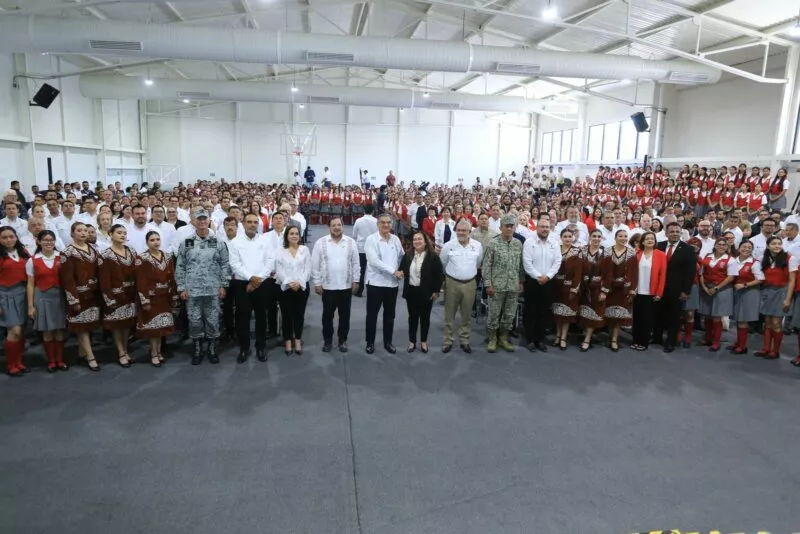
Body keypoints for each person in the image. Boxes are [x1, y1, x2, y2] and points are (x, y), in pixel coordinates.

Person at [175, 209, 231, 365]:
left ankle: (212, 348)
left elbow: (225, 264)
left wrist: (224, 285)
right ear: (193, 221)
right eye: (198, 219)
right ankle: (198, 348)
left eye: (204, 219)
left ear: (208, 221)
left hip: (213, 289)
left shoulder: (218, 242)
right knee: (194, 320)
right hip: (192, 290)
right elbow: (180, 266)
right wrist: (181, 287)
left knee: (213, 319)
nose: (201, 222)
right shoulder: (186, 242)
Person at [312, 216, 360, 353]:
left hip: (345, 286)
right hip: (328, 287)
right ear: (329, 227)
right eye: (334, 225)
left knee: (345, 316)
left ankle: (342, 340)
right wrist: (317, 282)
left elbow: (356, 263)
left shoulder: (351, 242)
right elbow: (315, 265)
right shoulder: (320, 243)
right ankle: (327, 341)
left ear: (343, 226)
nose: (337, 227)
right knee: (327, 316)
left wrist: (356, 280)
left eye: (339, 225)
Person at [228, 213, 271, 363]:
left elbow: (270, 261)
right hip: (242, 284)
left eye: (255, 222)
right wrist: (251, 278)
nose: (252, 224)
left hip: (262, 282)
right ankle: (244, 348)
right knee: (242, 318)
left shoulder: (265, 241)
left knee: (261, 317)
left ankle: (261, 347)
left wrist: (257, 280)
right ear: (243, 224)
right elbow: (234, 264)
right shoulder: (235, 242)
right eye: (249, 222)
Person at [60, 222, 102, 371]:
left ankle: (81, 353)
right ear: (72, 233)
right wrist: (73, 299)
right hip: (79, 295)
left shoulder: (93, 249)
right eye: (79, 230)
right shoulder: (68, 252)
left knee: (88, 326)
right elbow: (67, 279)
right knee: (81, 327)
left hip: (93, 294)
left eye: (85, 230)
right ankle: (91, 356)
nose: (83, 233)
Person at [26, 229, 68, 372]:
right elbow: (31, 284)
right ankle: (51, 361)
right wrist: (30, 306)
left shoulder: (61, 257)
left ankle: (60, 360)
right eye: (45, 240)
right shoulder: (32, 260)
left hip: (59, 297)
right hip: (42, 297)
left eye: (51, 240)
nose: (49, 242)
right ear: (39, 242)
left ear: (55, 242)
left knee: (59, 330)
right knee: (48, 331)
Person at [135, 230, 177, 367]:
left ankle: (159, 352)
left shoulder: (167, 256)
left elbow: (172, 277)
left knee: (161, 327)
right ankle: (153, 353)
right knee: (153, 329)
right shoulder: (142, 259)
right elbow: (141, 281)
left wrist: (174, 295)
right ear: (147, 242)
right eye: (152, 240)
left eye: (157, 239)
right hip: (151, 299)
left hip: (164, 297)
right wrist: (144, 300)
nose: (156, 242)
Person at [364, 213, 405, 354]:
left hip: (392, 285)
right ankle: (370, 342)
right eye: (383, 222)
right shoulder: (371, 239)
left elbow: (401, 255)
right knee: (372, 315)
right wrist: (394, 271)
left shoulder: (395, 239)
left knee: (389, 315)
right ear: (378, 224)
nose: (386, 225)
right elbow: (374, 261)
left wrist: (401, 270)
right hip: (375, 283)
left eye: (388, 222)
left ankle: (388, 342)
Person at [440, 219, 483, 353]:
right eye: (458, 230)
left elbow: (478, 262)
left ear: (470, 232)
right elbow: (443, 262)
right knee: (449, 315)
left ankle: (464, 341)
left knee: (466, 314)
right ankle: (448, 341)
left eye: (464, 230)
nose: (461, 232)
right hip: (452, 282)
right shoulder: (448, 245)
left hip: (470, 283)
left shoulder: (477, 246)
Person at [653, 222, 697, 352]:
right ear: (666, 233)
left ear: (681, 233)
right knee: (658, 313)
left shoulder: (688, 249)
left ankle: (671, 341)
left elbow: (690, 272)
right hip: (659, 287)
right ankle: (657, 337)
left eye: (677, 232)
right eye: (671, 232)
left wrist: (686, 291)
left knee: (674, 316)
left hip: (677, 289)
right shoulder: (659, 246)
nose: (674, 234)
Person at [99, 224, 138, 367]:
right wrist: (108, 298)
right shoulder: (105, 255)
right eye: (119, 232)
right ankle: (121, 352)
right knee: (117, 325)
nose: (122, 235)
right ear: (110, 234)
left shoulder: (132, 252)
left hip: (130, 294)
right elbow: (104, 279)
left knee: (127, 324)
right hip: (115, 295)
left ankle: (125, 349)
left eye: (124, 233)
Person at [485, 213, 524, 353]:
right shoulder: (493, 243)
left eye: (512, 226)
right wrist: (488, 284)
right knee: (494, 314)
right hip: (496, 285)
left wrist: (521, 281)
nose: (509, 228)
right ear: (501, 228)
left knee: (509, 315)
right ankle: (492, 338)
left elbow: (520, 265)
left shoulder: (518, 244)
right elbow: (486, 265)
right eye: (506, 226)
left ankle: (503, 337)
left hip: (513, 285)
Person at [522, 214, 561, 352]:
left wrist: (548, 276)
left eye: (547, 227)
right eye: (542, 227)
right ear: (536, 228)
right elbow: (527, 263)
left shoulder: (554, 243)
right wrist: (538, 277)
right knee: (531, 311)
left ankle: (540, 339)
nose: (545, 229)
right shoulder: (529, 242)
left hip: (548, 282)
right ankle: (530, 339)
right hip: (533, 282)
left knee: (544, 312)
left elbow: (557, 262)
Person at [400, 230, 443, 354]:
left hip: (427, 292)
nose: (417, 241)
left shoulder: (432, 256)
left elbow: (439, 275)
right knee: (412, 318)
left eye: (419, 239)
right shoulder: (408, 255)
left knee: (425, 318)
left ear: (425, 242)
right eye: (415, 239)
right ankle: (412, 341)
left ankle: (423, 341)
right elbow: (402, 269)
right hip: (411, 292)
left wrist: (436, 291)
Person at [271, 225, 311, 356]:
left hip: (302, 287)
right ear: (286, 236)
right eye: (291, 233)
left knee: (299, 315)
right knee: (287, 316)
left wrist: (299, 282)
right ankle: (288, 340)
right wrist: (290, 282)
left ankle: (298, 339)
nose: (294, 236)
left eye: (296, 234)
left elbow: (308, 269)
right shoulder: (279, 251)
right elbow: (279, 270)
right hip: (285, 288)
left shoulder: (305, 250)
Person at [756, 236, 795, 359]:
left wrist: (788, 299)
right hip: (767, 292)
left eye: (779, 243)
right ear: (768, 246)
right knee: (767, 322)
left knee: (776, 323)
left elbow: (792, 280)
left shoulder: (790, 258)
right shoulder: (764, 259)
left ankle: (775, 350)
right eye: (774, 243)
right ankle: (766, 348)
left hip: (782, 292)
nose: (777, 245)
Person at [600, 229, 638, 352]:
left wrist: (632, 289)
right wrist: (602, 287)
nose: (623, 238)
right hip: (609, 287)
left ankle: (614, 340)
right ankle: (611, 337)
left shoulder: (632, 253)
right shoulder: (607, 251)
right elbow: (602, 270)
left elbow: (634, 273)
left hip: (623, 289)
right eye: (620, 236)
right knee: (610, 314)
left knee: (618, 315)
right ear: (615, 237)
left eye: (625, 236)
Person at [0, 226, 30, 376]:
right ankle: (11, 364)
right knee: (14, 331)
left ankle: (19, 361)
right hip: (6, 296)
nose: (8, 240)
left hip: (23, 294)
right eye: (4, 237)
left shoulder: (23, 252)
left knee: (22, 331)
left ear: (16, 237)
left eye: (11, 236)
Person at [631, 232, 666, 351]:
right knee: (636, 318)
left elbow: (663, 276)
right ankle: (635, 340)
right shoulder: (637, 253)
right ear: (643, 242)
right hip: (637, 291)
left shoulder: (661, 255)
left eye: (652, 238)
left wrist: (659, 293)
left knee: (647, 319)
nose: (650, 240)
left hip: (651, 292)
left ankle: (643, 342)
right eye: (647, 239)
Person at [727, 240, 764, 355]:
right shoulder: (734, 261)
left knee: (743, 320)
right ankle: (738, 342)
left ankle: (742, 346)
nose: (746, 249)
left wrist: (745, 285)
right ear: (739, 248)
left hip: (749, 293)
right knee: (738, 319)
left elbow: (760, 279)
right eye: (744, 247)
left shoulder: (754, 263)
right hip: (737, 292)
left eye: (749, 247)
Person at [698, 238, 735, 352]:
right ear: (714, 245)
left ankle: (716, 342)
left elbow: (731, 277)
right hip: (707, 288)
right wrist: (704, 287)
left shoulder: (730, 259)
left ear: (727, 247)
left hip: (722, 289)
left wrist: (717, 287)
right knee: (707, 315)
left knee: (717, 316)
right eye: (719, 244)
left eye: (724, 245)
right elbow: (701, 273)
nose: (721, 246)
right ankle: (708, 338)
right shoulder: (707, 257)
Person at [551, 228, 584, 350]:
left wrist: (575, 288)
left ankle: (564, 337)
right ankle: (558, 336)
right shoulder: (556, 249)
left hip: (569, 286)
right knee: (558, 312)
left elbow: (578, 272)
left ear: (573, 238)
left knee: (567, 314)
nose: (568, 239)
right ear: (561, 238)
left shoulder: (577, 251)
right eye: (565, 236)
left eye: (570, 236)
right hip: (556, 285)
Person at [578, 229, 606, 352]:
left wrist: (604, 290)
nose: (596, 238)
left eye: (599, 236)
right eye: (594, 236)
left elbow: (608, 273)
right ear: (590, 237)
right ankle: (583, 333)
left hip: (596, 288)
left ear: (602, 238)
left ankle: (587, 339)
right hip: (582, 287)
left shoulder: (605, 253)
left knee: (593, 312)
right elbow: (577, 268)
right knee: (582, 311)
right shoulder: (582, 250)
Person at [352, 204, 377, 298]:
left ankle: (359, 291)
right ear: (373, 211)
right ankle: (373, 291)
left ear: (363, 211)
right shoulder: (376, 221)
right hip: (373, 248)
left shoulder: (358, 220)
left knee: (361, 270)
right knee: (374, 270)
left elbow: (354, 234)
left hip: (361, 248)